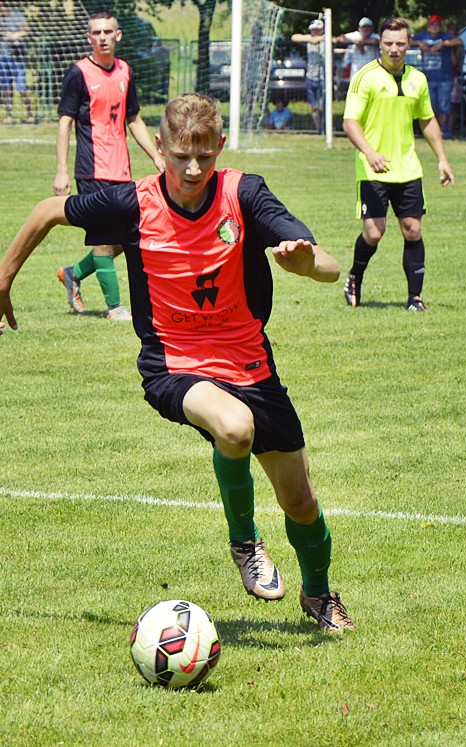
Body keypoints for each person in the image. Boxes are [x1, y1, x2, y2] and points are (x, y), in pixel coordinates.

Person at [0, 93, 354, 634]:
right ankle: (245, 541)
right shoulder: (133, 203)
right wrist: (3, 278)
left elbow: (324, 262)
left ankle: (318, 594)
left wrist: (309, 267)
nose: (192, 169)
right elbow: (49, 211)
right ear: (159, 147)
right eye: (180, 156)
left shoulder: (245, 194)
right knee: (235, 428)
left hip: (251, 365)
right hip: (173, 364)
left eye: (204, 156)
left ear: (219, 146)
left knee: (301, 501)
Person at [54, 10, 163, 321]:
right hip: (92, 170)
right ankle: (115, 308)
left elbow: (134, 119)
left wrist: (156, 156)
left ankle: (73, 273)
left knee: (124, 238)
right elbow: (65, 123)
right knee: (104, 239)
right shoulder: (78, 74)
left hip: (121, 171)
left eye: (107, 32)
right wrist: (62, 170)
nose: (102, 37)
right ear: (89, 37)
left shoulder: (125, 71)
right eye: (96, 33)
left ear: (118, 36)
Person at [342, 16, 455, 312]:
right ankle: (355, 276)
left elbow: (428, 120)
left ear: (409, 45)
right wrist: (369, 152)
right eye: (389, 43)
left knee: (412, 230)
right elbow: (350, 122)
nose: (394, 49)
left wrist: (442, 159)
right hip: (372, 168)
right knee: (374, 233)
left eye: (400, 43)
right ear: (380, 43)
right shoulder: (365, 77)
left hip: (408, 168)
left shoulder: (418, 79)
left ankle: (414, 298)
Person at [412, 14, 461, 139]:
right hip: (428, 77)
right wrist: (419, 43)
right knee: (429, 105)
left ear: (441, 26)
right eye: (432, 24)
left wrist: (443, 44)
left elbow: (459, 41)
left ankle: (442, 128)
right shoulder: (422, 36)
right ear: (429, 26)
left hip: (445, 77)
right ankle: (430, 130)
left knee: (444, 105)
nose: (435, 27)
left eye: (437, 25)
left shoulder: (446, 37)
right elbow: (407, 41)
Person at [0, 0, 35, 124]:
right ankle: (9, 116)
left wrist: (13, 36)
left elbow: (26, 30)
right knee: (6, 87)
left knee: (21, 86)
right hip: (3, 56)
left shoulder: (16, 15)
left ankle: (30, 115)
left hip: (17, 55)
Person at [292, 18, 328, 135]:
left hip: (323, 77)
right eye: (313, 30)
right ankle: (319, 130)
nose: (315, 32)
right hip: (311, 77)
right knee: (314, 107)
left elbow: (336, 39)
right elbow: (294, 37)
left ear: (322, 30)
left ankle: (326, 129)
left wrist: (321, 39)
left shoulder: (327, 39)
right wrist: (311, 39)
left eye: (317, 30)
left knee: (322, 107)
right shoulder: (308, 39)